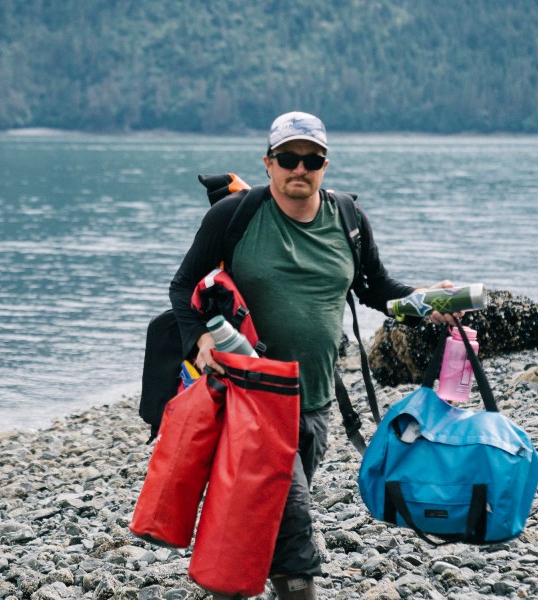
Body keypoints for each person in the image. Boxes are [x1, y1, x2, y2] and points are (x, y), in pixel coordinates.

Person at [169, 111, 462, 599]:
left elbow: (376, 289)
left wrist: (425, 301)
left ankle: (230, 584)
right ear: (268, 163)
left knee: (260, 516)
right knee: (295, 529)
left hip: (316, 402)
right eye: (288, 158)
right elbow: (183, 287)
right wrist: (198, 340)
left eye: (312, 159)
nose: (299, 169)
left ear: (325, 164)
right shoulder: (235, 217)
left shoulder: (347, 218)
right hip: (251, 401)